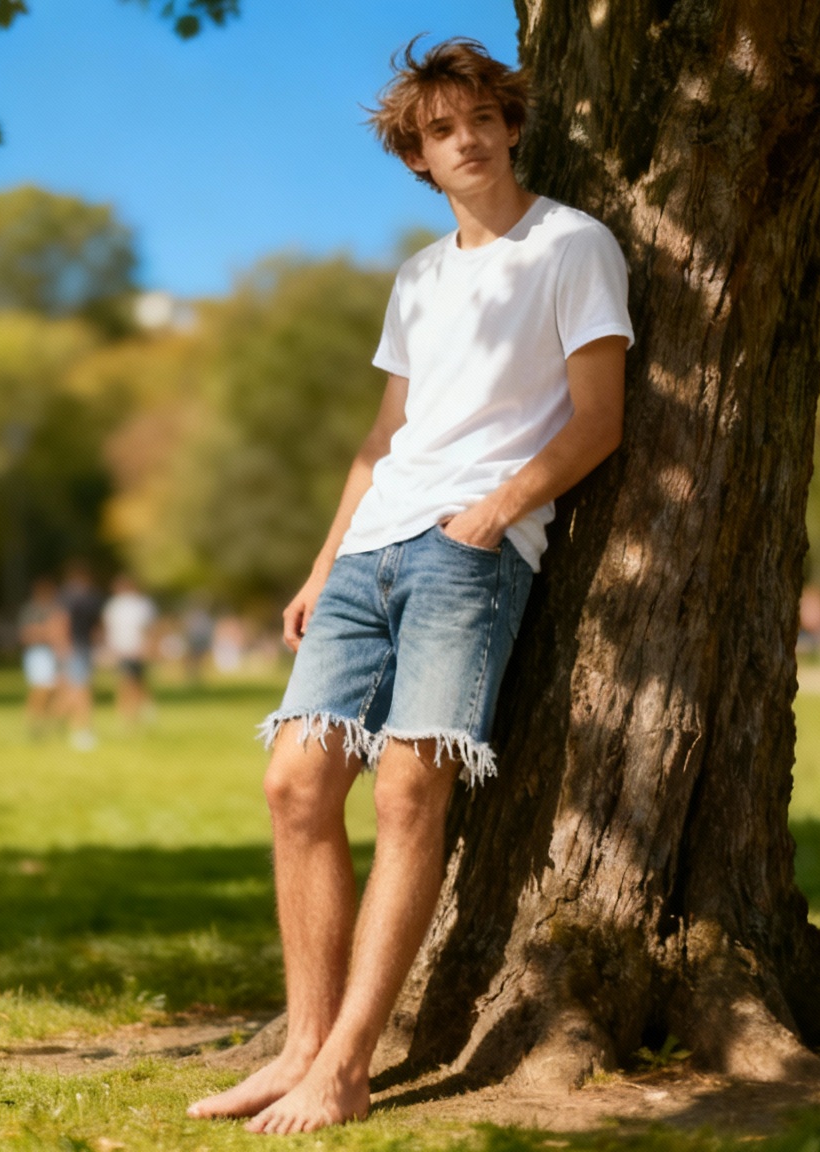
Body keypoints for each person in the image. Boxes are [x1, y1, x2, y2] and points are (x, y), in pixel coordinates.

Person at [187, 40, 632, 1133]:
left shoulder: (571, 246)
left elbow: (598, 420)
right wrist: (322, 562)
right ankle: (298, 1048)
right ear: (417, 157)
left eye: (481, 117)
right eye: (441, 130)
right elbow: (380, 436)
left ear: (511, 124)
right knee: (295, 788)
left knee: (406, 791)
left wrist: (488, 514)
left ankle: (345, 1065)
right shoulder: (419, 277)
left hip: (465, 552)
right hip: (368, 552)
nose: (466, 139)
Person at [58, 560, 103, 750]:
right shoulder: (68, 597)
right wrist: (64, 646)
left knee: (74, 690)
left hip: (83, 648)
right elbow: (61, 622)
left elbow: (96, 626)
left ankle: (56, 721)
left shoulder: (89, 598)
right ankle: (81, 730)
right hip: (75, 648)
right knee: (81, 690)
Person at [102, 573, 158, 725]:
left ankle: (139, 711)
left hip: (137, 649)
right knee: (126, 682)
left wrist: (148, 646)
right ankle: (127, 715)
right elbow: (109, 629)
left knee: (137, 681)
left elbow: (149, 628)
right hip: (122, 649)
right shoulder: (114, 605)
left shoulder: (141, 604)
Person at [18, 578, 69, 738]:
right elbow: (26, 634)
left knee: (58, 689)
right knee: (41, 690)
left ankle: (48, 722)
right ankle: (34, 723)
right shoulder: (31, 611)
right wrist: (47, 632)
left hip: (53, 653)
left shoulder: (56, 609)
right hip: (38, 653)